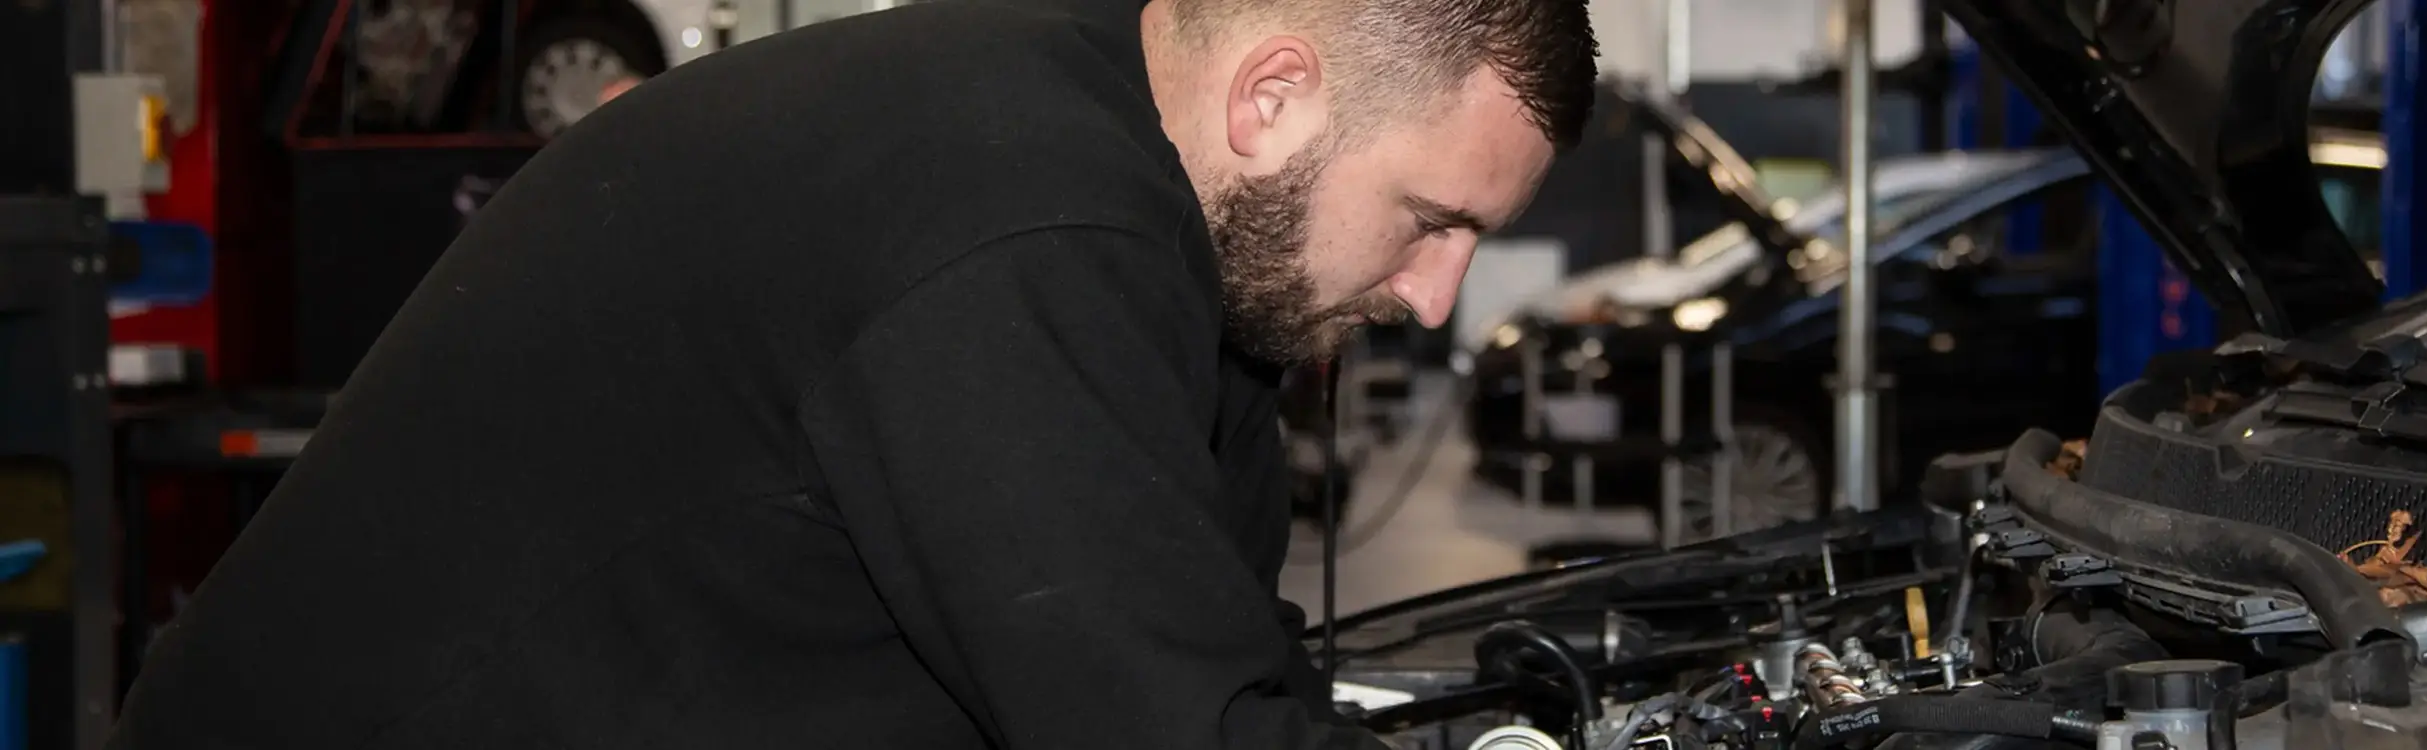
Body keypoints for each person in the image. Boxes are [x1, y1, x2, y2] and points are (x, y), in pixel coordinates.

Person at [109, 0, 1596, 747]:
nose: (1435, 292)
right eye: (1431, 218)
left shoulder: (1156, 216)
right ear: (1275, 96)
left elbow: (1210, 642)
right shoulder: (1018, 213)